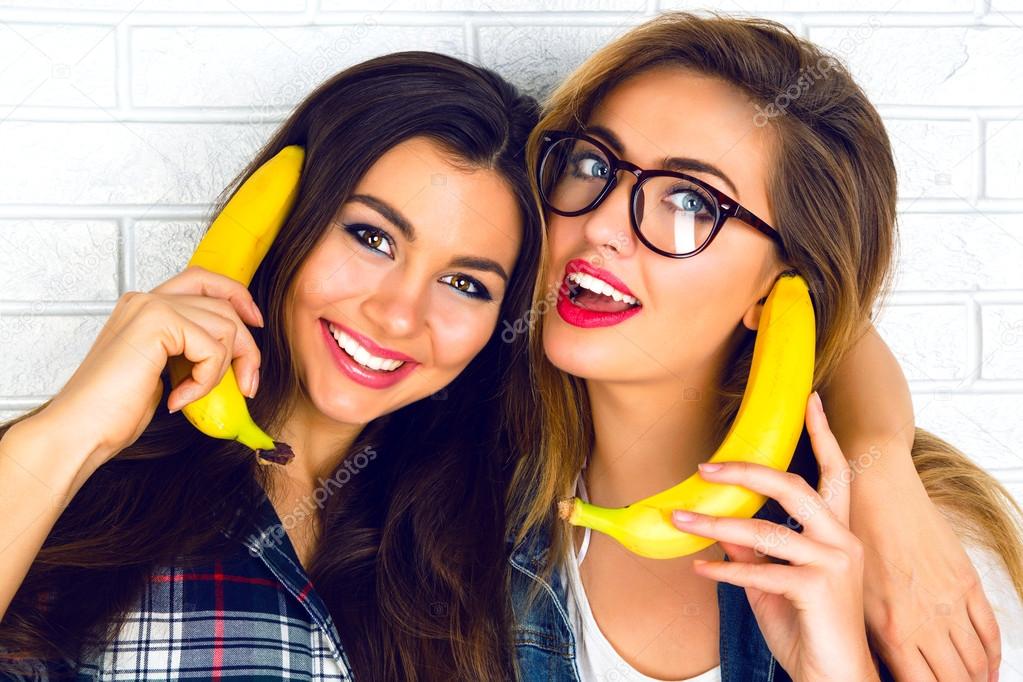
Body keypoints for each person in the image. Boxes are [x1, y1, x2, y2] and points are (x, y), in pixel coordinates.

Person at [506, 11, 1023, 681]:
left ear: (778, 291)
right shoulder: (461, 512)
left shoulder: (928, 572)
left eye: (690, 202)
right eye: (590, 163)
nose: (602, 223)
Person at [0, 51, 541, 681]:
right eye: (372, 238)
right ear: (285, 223)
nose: (398, 315)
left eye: (466, 283)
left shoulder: (501, 552)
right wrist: (66, 435)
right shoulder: (78, 491)